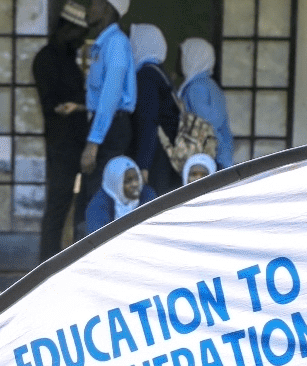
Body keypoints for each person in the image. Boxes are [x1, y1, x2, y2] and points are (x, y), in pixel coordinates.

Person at [31, 1, 90, 262]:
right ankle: (46, 265)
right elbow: (53, 104)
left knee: (78, 207)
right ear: (66, 29)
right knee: (57, 207)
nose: (81, 39)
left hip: (77, 143)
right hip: (62, 145)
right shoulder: (46, 59)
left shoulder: (67, 59)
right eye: (78, 33)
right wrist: (80, 104)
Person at [77, 0, 136, 238]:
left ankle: (100, 251)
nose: (89, 8)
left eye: (95, 3)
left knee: (100, 197)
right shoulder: (104, 44)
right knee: (93, 195)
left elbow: (110, 97)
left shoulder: (116, 43)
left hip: (111, 128)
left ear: (108, 8)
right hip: (104, 125)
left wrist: (93, 143)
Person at [127, 23, 180, 196]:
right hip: (165, 152)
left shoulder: (146, 76)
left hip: (156, 156)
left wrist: (143, 165)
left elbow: (148, 120)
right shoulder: (159, 73)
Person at [179, 37, 234, 171]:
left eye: (182, 56)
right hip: (221, 155)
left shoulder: (196, 88)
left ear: (193, 58)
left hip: (208, 158)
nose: (179, 61)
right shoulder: (209, 84)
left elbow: (205, 125)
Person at [84, 155, 155, 235]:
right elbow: (98, 240)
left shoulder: (147, 195)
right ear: (115, 183)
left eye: (137, 178)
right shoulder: (96, 209)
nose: (135, 184)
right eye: (128, 181)